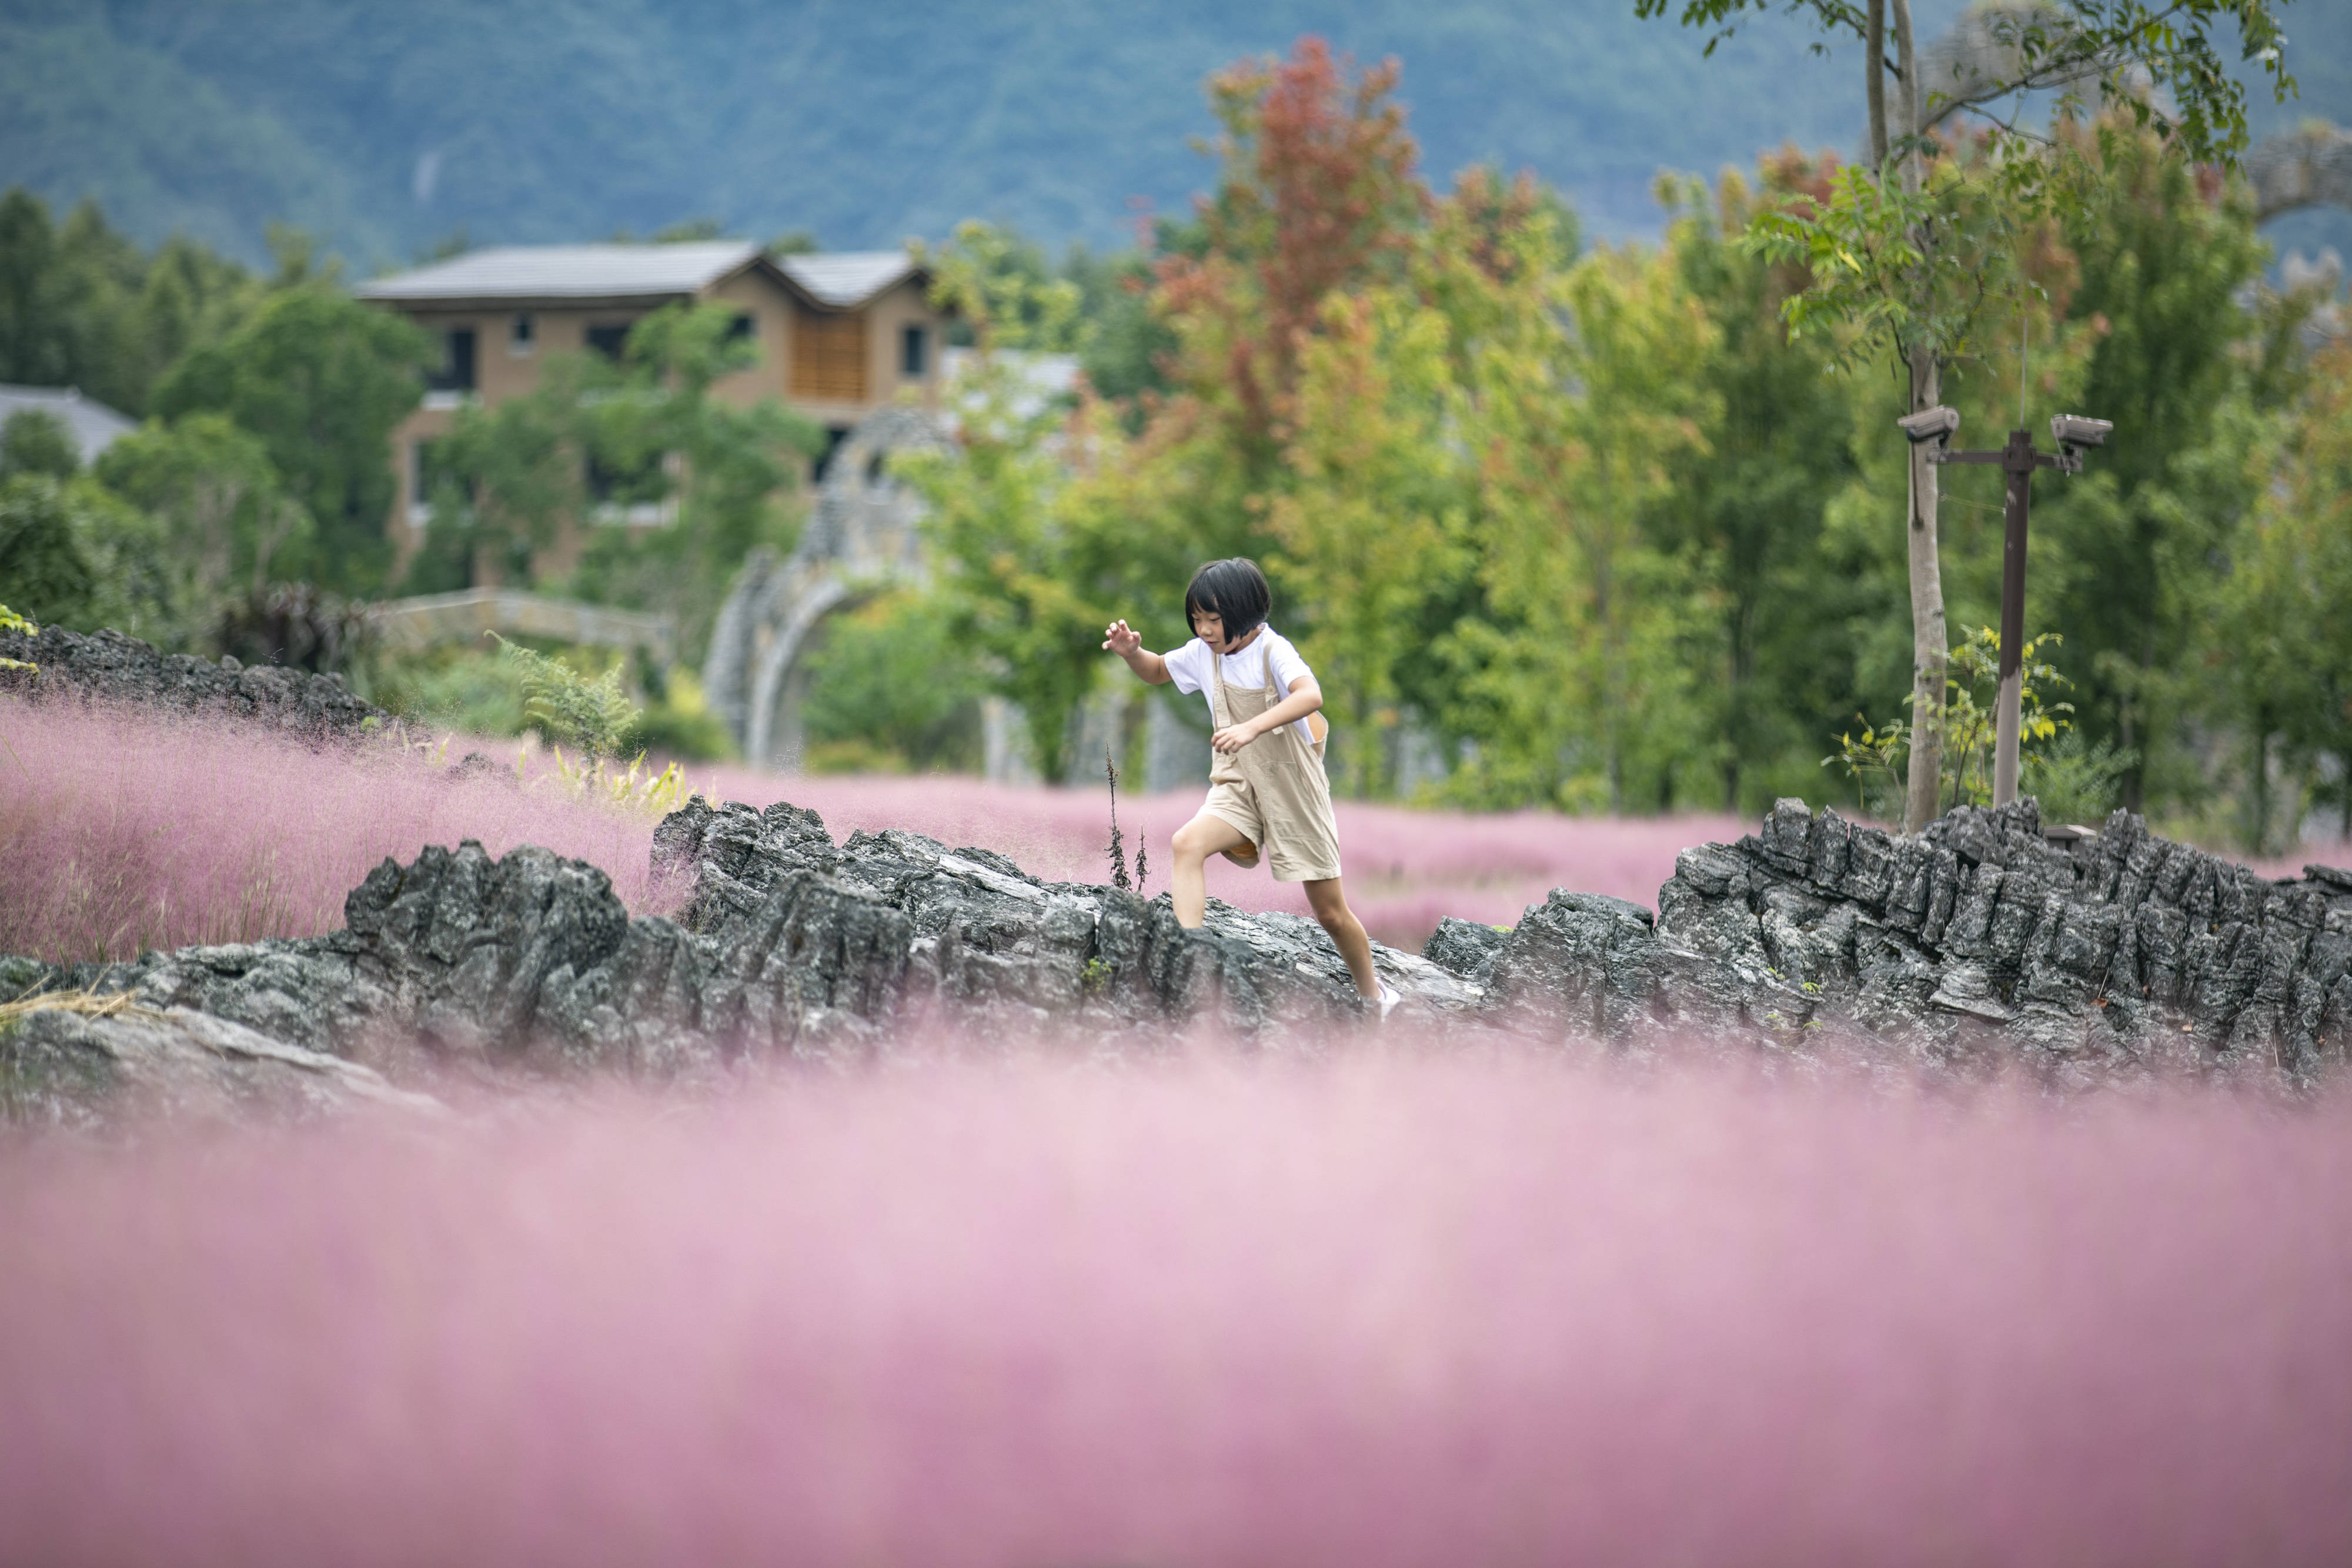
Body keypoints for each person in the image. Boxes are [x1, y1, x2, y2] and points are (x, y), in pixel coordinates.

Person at [1101, 557, 1400, 1017]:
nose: (1204, 630)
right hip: (1237, 784)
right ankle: (1191, 959)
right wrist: (1130, 654)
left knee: (1332, 914)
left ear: (1245, 612)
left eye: (1214, 619)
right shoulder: (1204, 655)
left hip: (1292, 789)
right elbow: (1159, 669)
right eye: (1197, 619)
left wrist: (1252, 727)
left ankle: (1375, 999)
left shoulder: (1273, 650)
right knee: (1187, 844)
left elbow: (1310, 695)